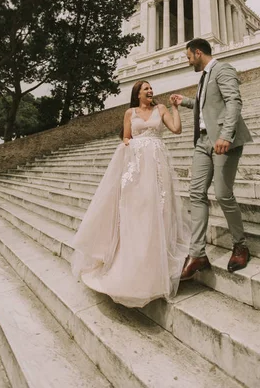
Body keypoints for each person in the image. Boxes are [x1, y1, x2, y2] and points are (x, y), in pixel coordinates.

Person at [71, 80, 190, 308]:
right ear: (137, 94)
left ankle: (158, 260)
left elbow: (176, 129)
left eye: (151, 88)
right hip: (136, 167)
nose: (150, 91)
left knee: (160, 208)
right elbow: (126, 137)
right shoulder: (130, 113)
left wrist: (175, 108)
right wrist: (130, 147)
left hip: (157, 164)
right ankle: (132, 260)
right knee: (137, 210)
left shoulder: (161, 109)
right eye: (146, 89)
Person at [170, 38, 253, 279]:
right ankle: (197, 254)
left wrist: (226, 135)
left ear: (197, 53)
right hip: (203, 142)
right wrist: (184, 101)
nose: (188, 62)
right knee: (196, 193)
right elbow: (205, 107)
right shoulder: (204, 78)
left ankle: (240, 245)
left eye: (188, 57)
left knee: (223, 194)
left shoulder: (222, 69)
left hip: (223, 141)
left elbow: (233, 102)